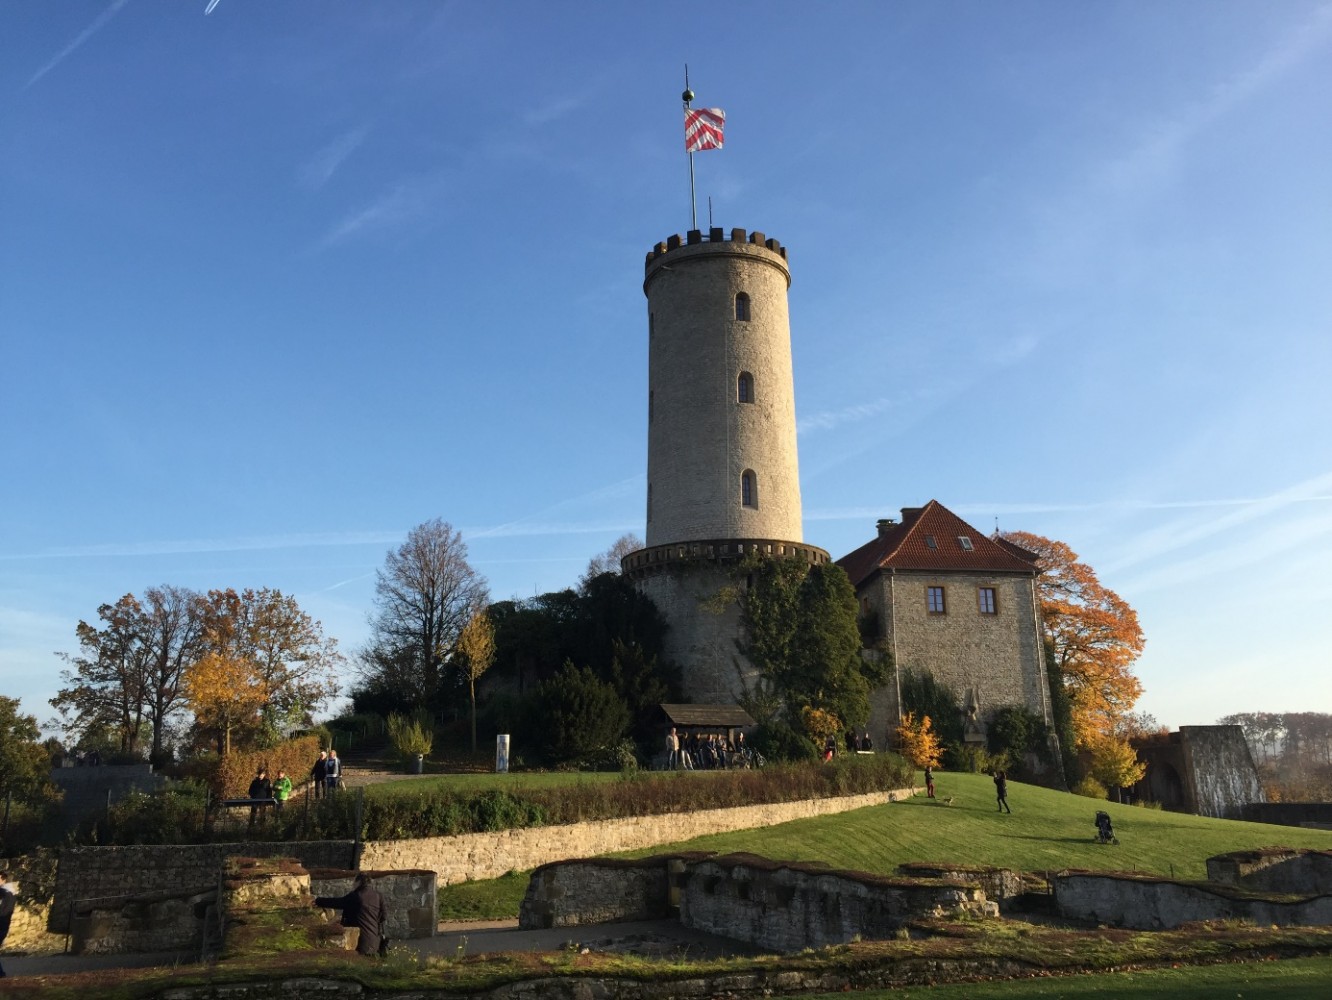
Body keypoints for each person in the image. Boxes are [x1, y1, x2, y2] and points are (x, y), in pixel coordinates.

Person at [313, 873, 388, 957]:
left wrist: (318, 901)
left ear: (358, 882)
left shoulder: (356, 896)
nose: (353, 885)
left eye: (354, 882)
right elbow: (384, 916)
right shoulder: (378, 896)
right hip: (375, 939)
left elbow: (338, 902)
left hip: (359, 939)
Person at [0, 870, 16, 978]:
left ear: (3, 879)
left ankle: (1, 974)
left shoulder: (8, 893)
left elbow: (5, 912)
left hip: (1, 926)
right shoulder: (6, 892)